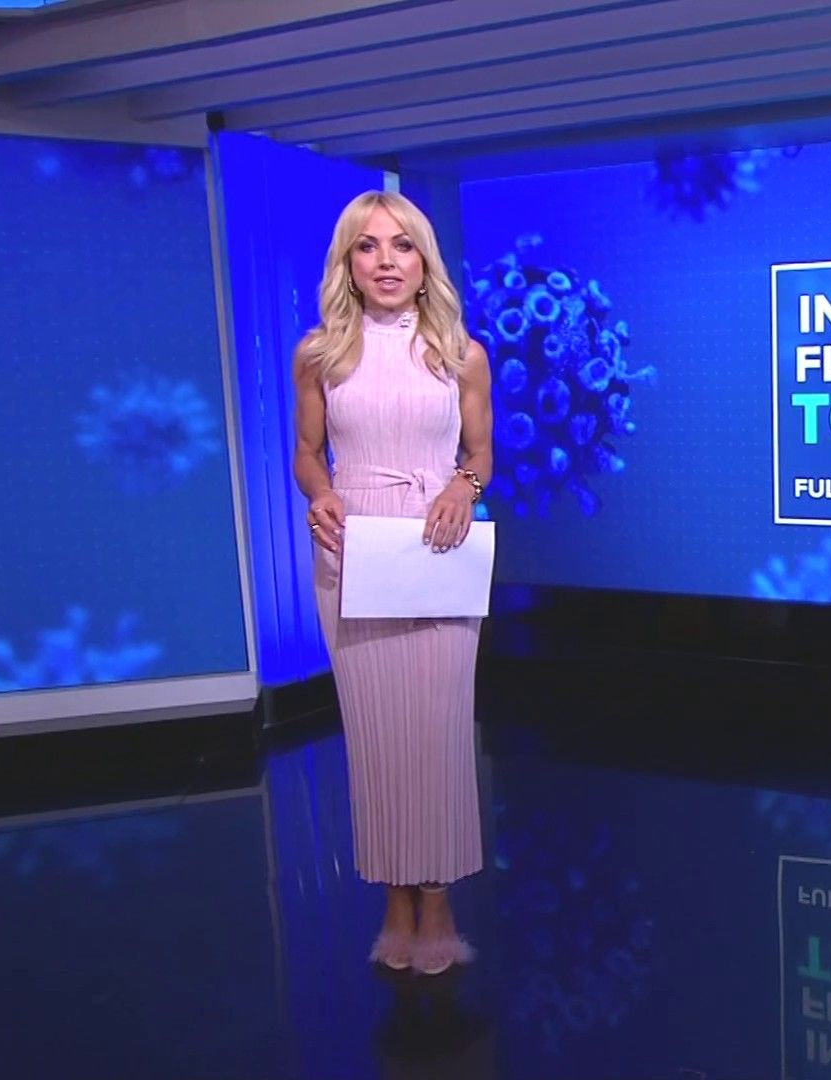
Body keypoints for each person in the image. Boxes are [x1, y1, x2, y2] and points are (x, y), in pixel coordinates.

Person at [291, 190, 493, 975]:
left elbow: (481, 453)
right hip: (356, 550)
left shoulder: (461, 352)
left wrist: (463, 488)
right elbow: (307, 452)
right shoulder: (320, 354)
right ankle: (393, 901)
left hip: (439, 545)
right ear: (348, 261)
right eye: (368, 246)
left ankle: (436, 900)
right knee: (376, 737)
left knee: (438, 733)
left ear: (423, 260)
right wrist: (321, 494)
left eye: (402, 245)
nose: (386, 261)